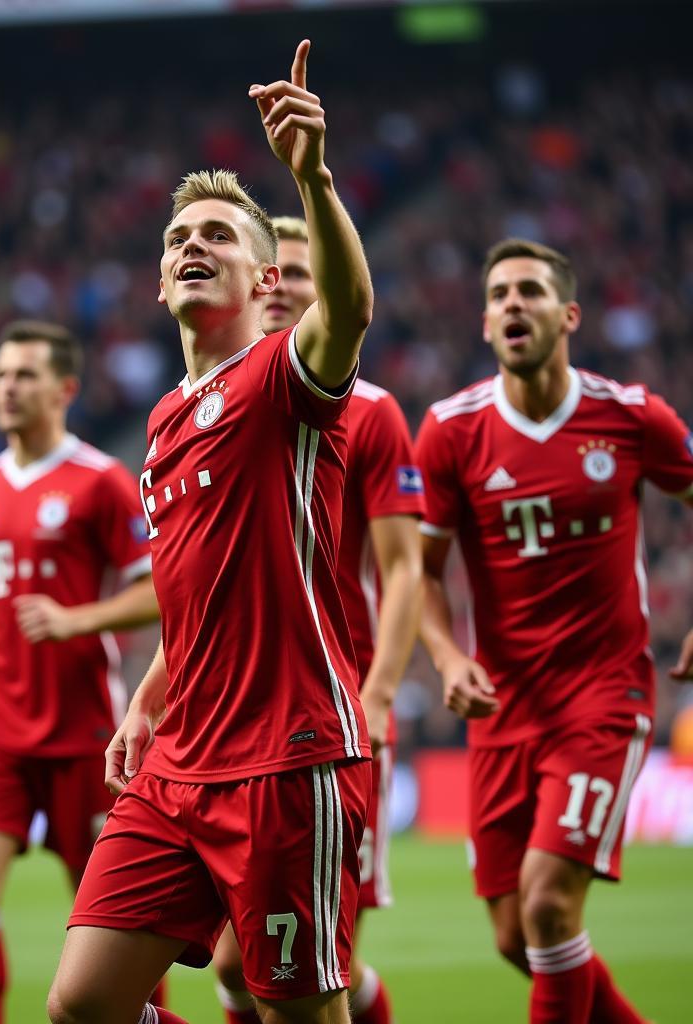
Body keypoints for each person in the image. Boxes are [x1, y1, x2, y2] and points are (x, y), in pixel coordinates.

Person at [47, 40, 375, 1024]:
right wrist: (144, 701)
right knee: (80, 1003)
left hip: (287, 754)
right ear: (157, 284)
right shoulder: (155, 424)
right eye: (178, 237)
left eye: (220, 237)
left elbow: (351, 309)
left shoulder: (281, 376)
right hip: (176, 759)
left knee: (296, 1012)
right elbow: (192, 587)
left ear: (265, 275)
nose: (194, 244)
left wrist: (311, 178)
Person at [415, 238, 693, 1024]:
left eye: (530, 291)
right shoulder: (449, 431)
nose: (512, 304)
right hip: (502, 708)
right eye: (498, 293)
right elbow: (422, 573)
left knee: (547, 910)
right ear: (483, 322)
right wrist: (444, 654)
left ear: (567, 314)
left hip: (602, 698)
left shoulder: (632, 416)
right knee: (516, 937)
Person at [0, 320, 159, 1024]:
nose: (8, 388)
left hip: (84, 729)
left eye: (24, 375)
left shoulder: (102, 481)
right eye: (0, 376)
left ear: (65, 389)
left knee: (115, 919)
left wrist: (76, 619)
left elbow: (158, 591)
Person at [209, 216, 423, 1024]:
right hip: (240, 713)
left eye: (303, 274)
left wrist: (380, 692)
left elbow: (403, 566)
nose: (286, 287)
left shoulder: (370, 411)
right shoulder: (222, 403)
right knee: (241, 965)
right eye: (277, 271)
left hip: (336, 711)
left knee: (310, 961)